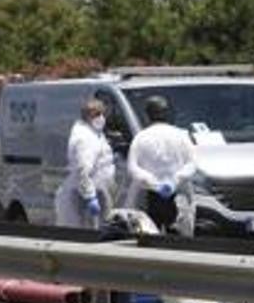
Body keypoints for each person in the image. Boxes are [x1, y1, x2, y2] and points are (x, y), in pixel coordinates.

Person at [124, 95, 197, 236]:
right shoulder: (182, 135)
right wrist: (174, 181)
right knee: (179, 240)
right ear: (167, 113)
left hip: (149, 197)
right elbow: (192, 164)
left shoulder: (141, 137)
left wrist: (153, 183)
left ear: (147, 115)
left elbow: (132, 168)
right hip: (178, 195)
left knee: (150, 238)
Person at [55, 99, 116, 229]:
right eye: (96, 114)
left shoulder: (93, 133)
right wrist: (90, 197)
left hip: (95, 190)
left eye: (102, 113)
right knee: (90, 233)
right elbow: (82, 170)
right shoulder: (85, 138)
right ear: (86, 116)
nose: (101, 118)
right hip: (86, 195)